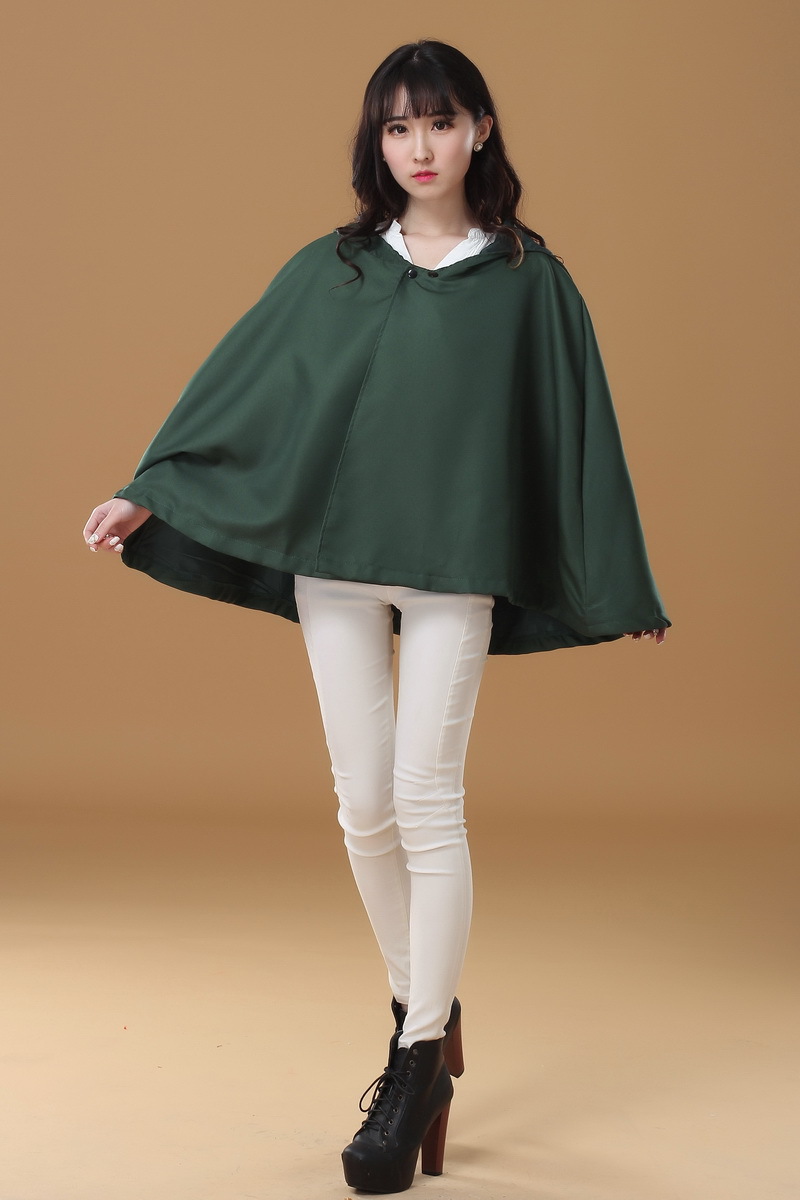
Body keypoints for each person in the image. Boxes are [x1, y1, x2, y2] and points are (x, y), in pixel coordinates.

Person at [83, 39, 670, 1194]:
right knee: (361, 804)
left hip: (452, 565)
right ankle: (427, 1013)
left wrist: (619, 577)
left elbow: (575, 434)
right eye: (398, 127)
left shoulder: (528, 282)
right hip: (335, 566)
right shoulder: (336, 268)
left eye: (439, 123)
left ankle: (411, 1063)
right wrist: (150, 487)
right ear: (377, 141)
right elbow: (243, 392)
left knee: (425, 798)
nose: (419, 147)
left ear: (480, 130)